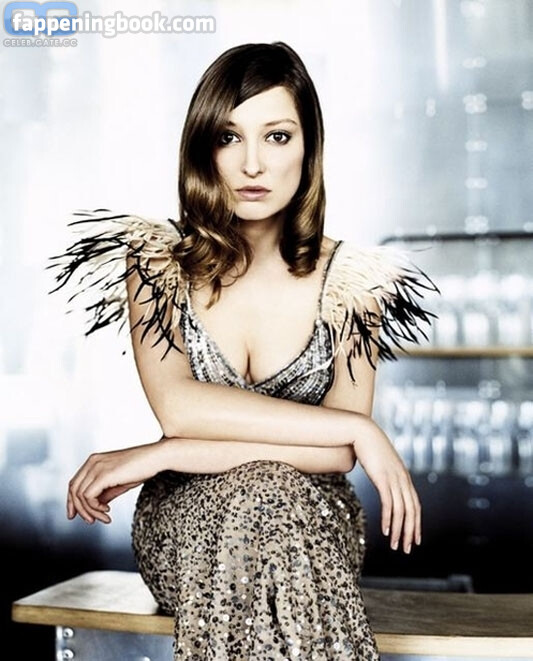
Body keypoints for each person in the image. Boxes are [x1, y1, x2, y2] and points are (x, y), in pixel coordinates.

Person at [47, 41, 440, 661]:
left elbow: (334, 455)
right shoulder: (157, 261)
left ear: (309, 146)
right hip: (187, 518)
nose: (253, 163)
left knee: (271, 496)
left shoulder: (355, 281)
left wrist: (166, 452)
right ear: (204, 149)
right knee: (260, 498)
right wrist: (356, 430)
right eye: (229, 137)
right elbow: (181, 407)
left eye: (277, 137)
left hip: (312, 519)